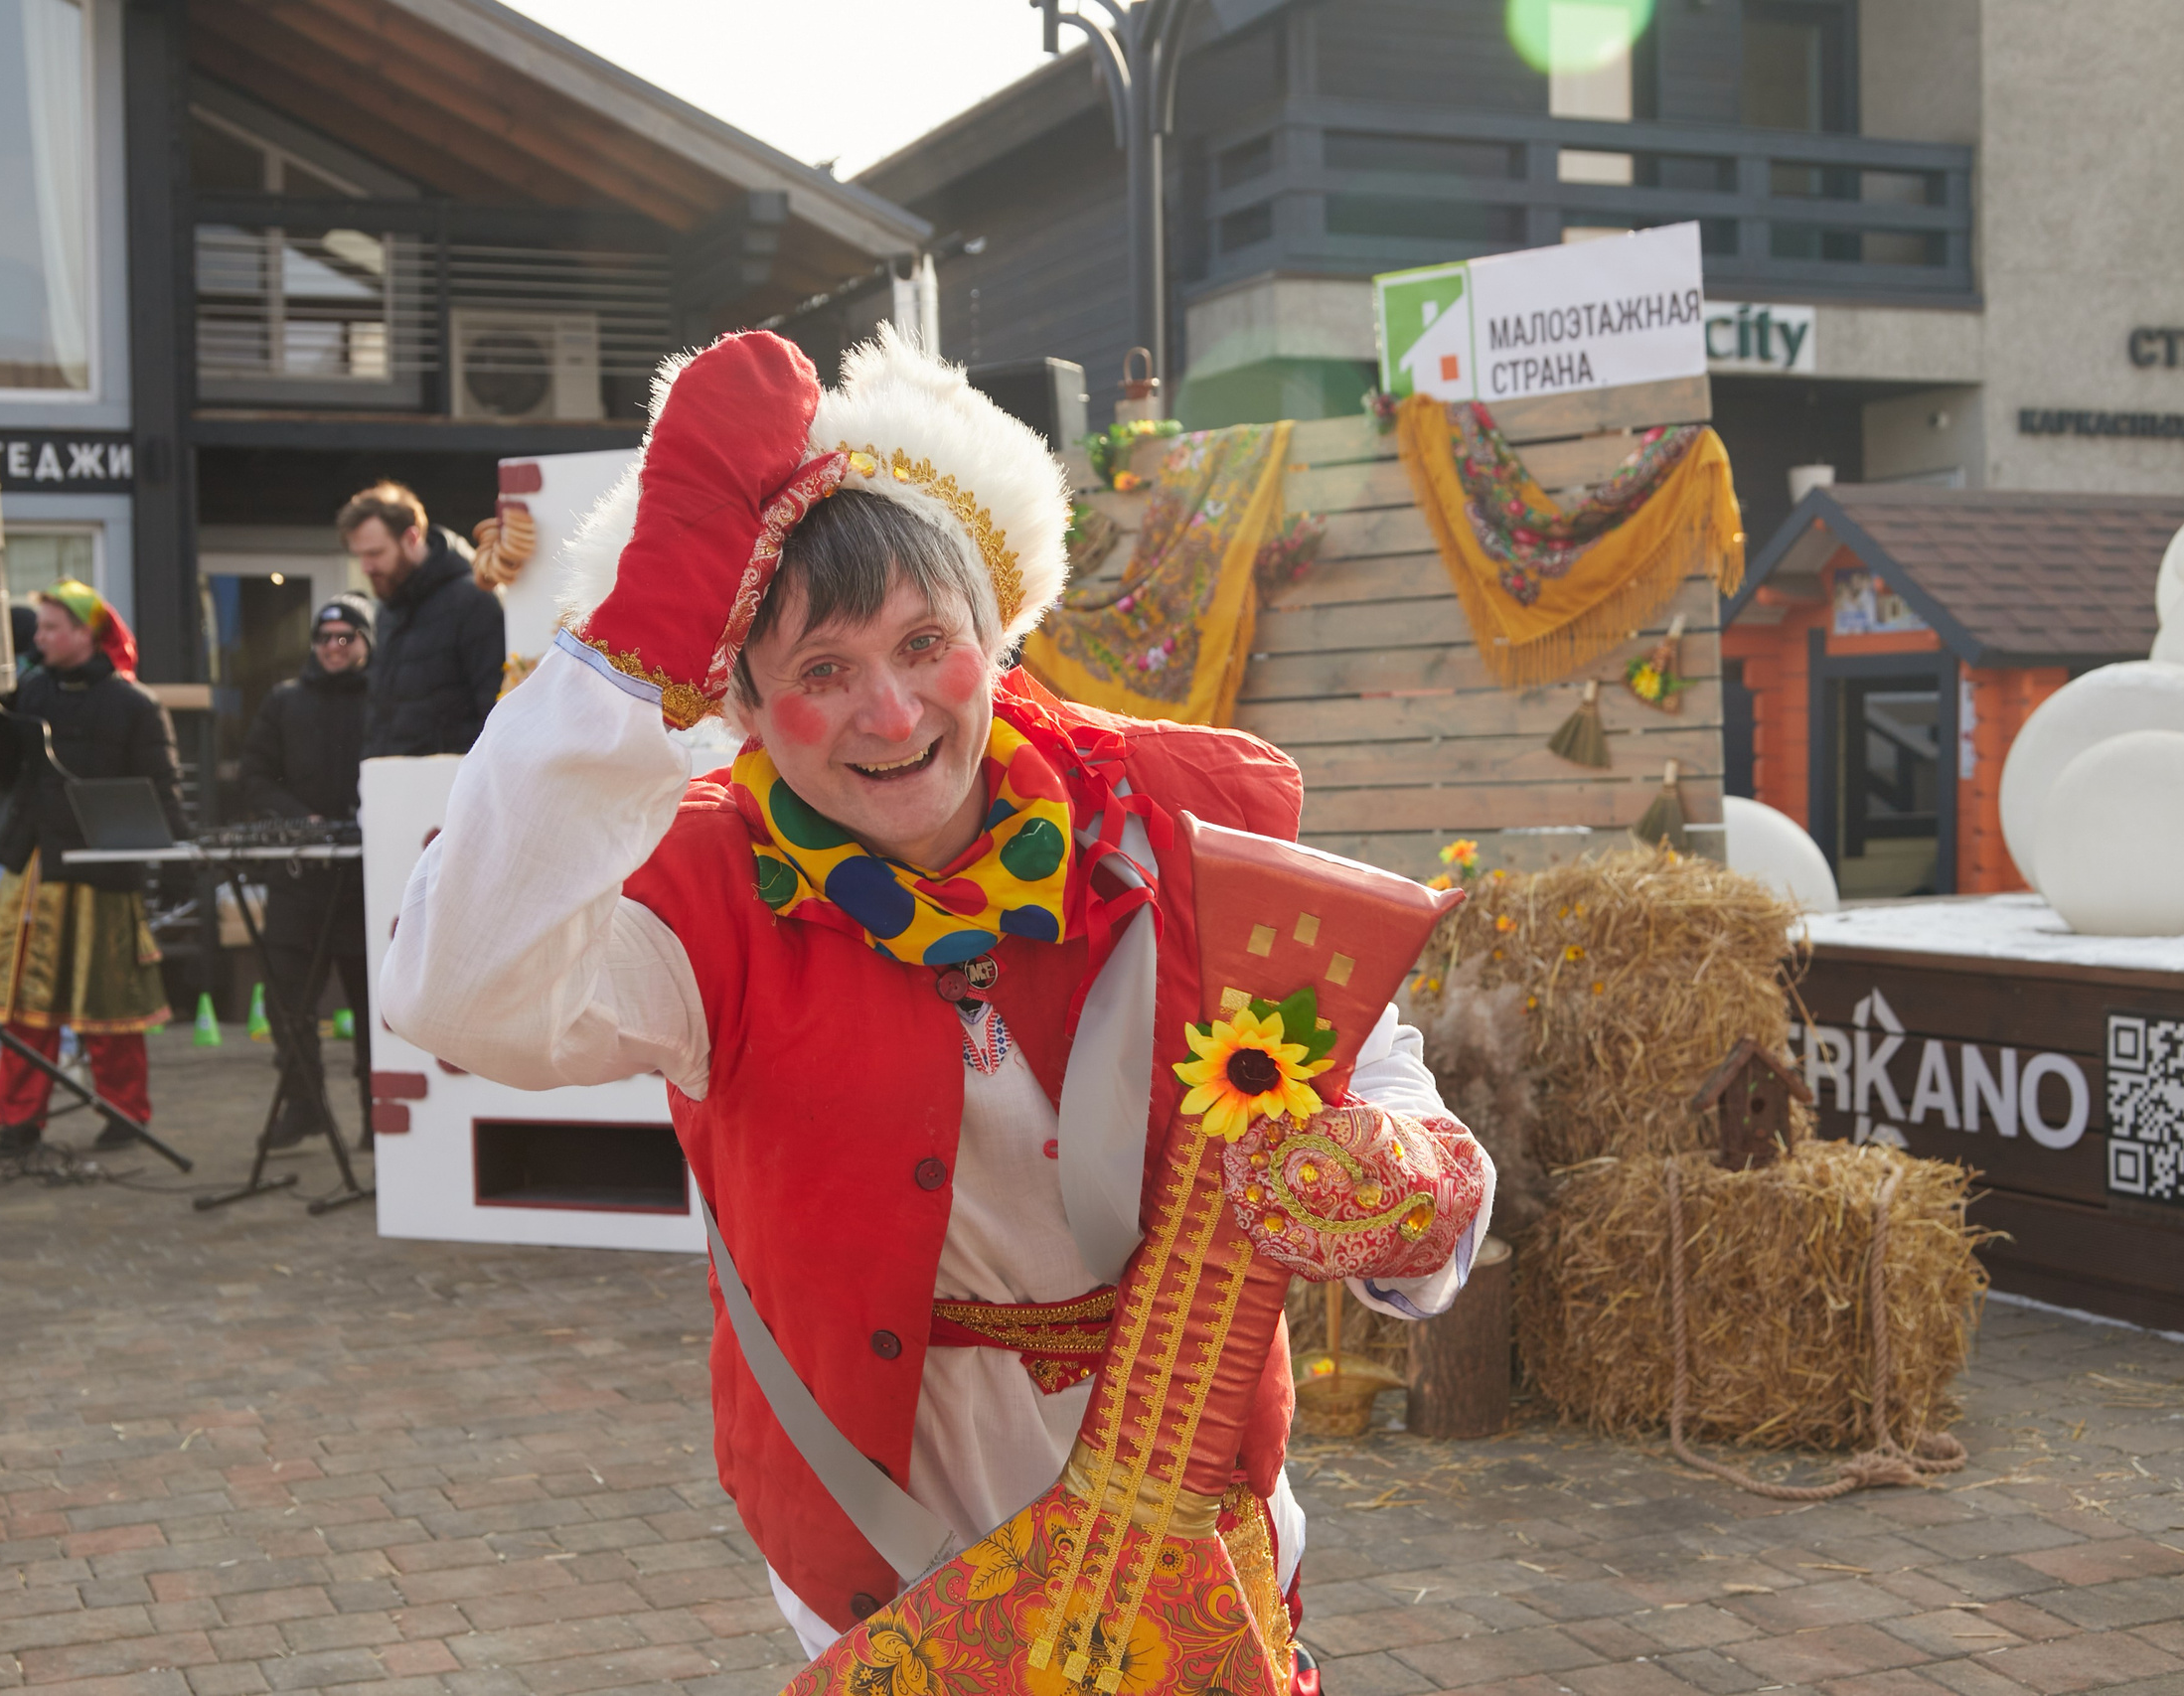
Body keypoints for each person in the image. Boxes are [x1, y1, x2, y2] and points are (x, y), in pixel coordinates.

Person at [380, 331, 1493, 1687]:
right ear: (740, 697)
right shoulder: (703, 891)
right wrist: (636, 644)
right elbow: (457, 984)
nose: (890, 709)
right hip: (882, 1526)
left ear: (994, 636)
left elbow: (1371, 1069)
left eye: (923, 642)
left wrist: (1414, 1183)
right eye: (821, 668)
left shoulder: (1172, 833)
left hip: (1198, 1515)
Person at [0, 581, 186, 1156]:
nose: (37, 637)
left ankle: (125, 1115)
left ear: (83, 633)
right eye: (39, 628)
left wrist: (175, 865)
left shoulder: (135, 704)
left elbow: (163, 790)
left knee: (110, 1001)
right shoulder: (28, 691)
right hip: (35, 868)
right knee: (24, 1007)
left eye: (48, 627)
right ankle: (19, 1121)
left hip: (103, 874)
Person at [239, 592, 375, 1147]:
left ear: (367, 641)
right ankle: (303, 1103)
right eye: (324, 639)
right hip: (299, 883)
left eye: (346, 637)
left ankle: (378, 1114)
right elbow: (254, 777)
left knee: (374, 1007)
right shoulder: (284, 702)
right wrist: (303, 821)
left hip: (367, 881)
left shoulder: (388, 699)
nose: (334, 648)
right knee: (286, 1002)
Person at [339, 482, 506, 757]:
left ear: (411, 538)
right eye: (360, 556)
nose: (366, 567)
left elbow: (495, 710)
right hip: (396, 787)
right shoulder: (387, 611)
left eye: (375, 553)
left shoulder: (474, 601)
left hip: (450, 788)